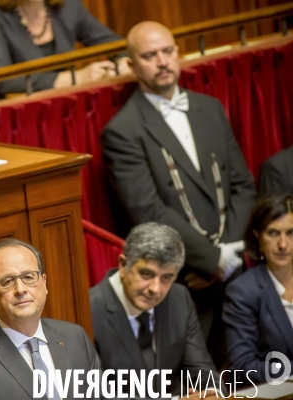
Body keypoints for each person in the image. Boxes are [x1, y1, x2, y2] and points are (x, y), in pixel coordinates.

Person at [101, 21, 257, 365]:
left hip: (235, 273)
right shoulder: (122, 131)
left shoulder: (210, 108)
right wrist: (210, 260)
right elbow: (148, 211)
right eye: (149, 55)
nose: (162, 61)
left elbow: (243, 186)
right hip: (183, 281)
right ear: (132, 65)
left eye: (167, 51)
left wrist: (228, 256)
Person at [0, 238, 102, 400]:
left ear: (44, 283)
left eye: (29, 277)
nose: (21, 289)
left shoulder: (75, 337)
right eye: (8, 281)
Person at [90, 222, 221, 398]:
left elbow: (203, 373)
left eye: (167, 277)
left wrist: (214, 394)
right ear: (123, 265)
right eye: (146, 274)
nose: (156, 289)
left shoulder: (178, 298)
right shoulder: (89, 312)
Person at [0, 0, 129, 96]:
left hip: (64, 102)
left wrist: (124, 61)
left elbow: (113, 44)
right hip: (19, 112)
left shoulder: (69, 6)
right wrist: (77, 77)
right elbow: (4, 81)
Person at [223, 194, 293, 387]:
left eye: (291, 232)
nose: (283, 244)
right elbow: (243, 368)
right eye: (273, 233)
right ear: (257, 236)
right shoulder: (242, 291)